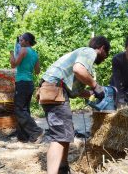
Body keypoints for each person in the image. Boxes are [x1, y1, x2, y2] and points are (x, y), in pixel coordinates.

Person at [40, 36, 110, 174]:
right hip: (55, 89)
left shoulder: (81, 54)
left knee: (65, 133)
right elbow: (78, 69)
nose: (106, 57)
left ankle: (62, 168)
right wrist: (96, 85)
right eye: (106, 53)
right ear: (102, 48)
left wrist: (91, 92)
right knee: (60, 136)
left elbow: (74, 91)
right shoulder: (89, 51)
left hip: (56, 90)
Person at [9, 32, 44, 143]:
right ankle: (23, 136)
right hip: (29, 83)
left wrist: (11, 53)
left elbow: (13, 64)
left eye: (22, 40)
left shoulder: (23, 50)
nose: (20, 41)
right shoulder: (35, 53)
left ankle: (36, 131)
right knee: (25, 110)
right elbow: (37, 71)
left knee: (19, 110)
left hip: (22, 82)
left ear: (27, 41)